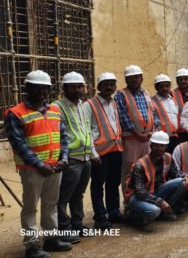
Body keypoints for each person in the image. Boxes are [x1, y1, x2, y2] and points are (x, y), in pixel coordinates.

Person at [5, 70, 77, 257]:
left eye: (45, 88)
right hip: (32, 170)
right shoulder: (15, 113)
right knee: (30, 207)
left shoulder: (54, 110)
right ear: (27, 88)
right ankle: (32, 246)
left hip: (55, 167)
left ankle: (51, 239)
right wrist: (39, 164)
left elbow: (63, 138)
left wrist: (64, 159)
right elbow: (19, 144)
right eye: (37, 87)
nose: (42, 91)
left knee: (51, 204)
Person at [53, 72, 99, 236]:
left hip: (85, 158)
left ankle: (77, 224)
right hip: (70, 159)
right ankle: (64, 229)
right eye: (73, 87)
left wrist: (93, 153)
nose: (78, 90)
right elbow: (57, 134)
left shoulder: (83, 105)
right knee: (63, 197)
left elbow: (87, 131)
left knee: (78, 194)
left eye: (80, 86)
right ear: (64, 88)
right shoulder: (57, 107)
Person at [124, 131, 188, 226]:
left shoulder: (168, 157)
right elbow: (140, 192)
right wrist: (161, 202)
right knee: (154, 211)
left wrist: (185, 178)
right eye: (156, 145)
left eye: (162, 146)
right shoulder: (140, 165)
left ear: (166, 147)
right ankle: (134, 214)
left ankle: (163, 212)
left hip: (155, 192)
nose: (159, 148)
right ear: (151, 146)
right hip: (137, 196)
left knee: (182, 182)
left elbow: (176, 173)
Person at [84, 72, 124, 229]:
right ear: (99, 87)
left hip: (116, 150)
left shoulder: (114, 103)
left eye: (112, 84)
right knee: (98, 185)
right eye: (105, 84)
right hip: (99, 153)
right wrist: (92, 152)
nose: (109, 87)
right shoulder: (89, 104)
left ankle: (114, 212)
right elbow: (86, 130)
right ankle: (100, 217)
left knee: (113, 183)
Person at [115, 65, 158, 186]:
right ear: (126, 80)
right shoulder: (121, 95)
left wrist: (152, 132)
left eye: (136, 77)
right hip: (131, 139)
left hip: (147, 139)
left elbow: (153, 113)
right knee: (130, 170)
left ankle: (143, 196)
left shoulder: (146, 93)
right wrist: (137, 134)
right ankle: (128, 199)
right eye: (130, 78)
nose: (134, 80)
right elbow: (123, 117)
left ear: (142, 78)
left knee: (146, 169)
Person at [151, 74, 179, 153]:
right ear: (156, 87)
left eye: (167, 86)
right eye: (162, 86)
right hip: (161, 139)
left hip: (175, 137)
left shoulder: (173, 101)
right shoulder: (152, 101)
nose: (165, 88)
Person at [172, 68, 188, 145]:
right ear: (177, 81)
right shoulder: (171, 94)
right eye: (181, 79)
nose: (183, 81)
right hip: (178, 133)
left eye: (186, 79)